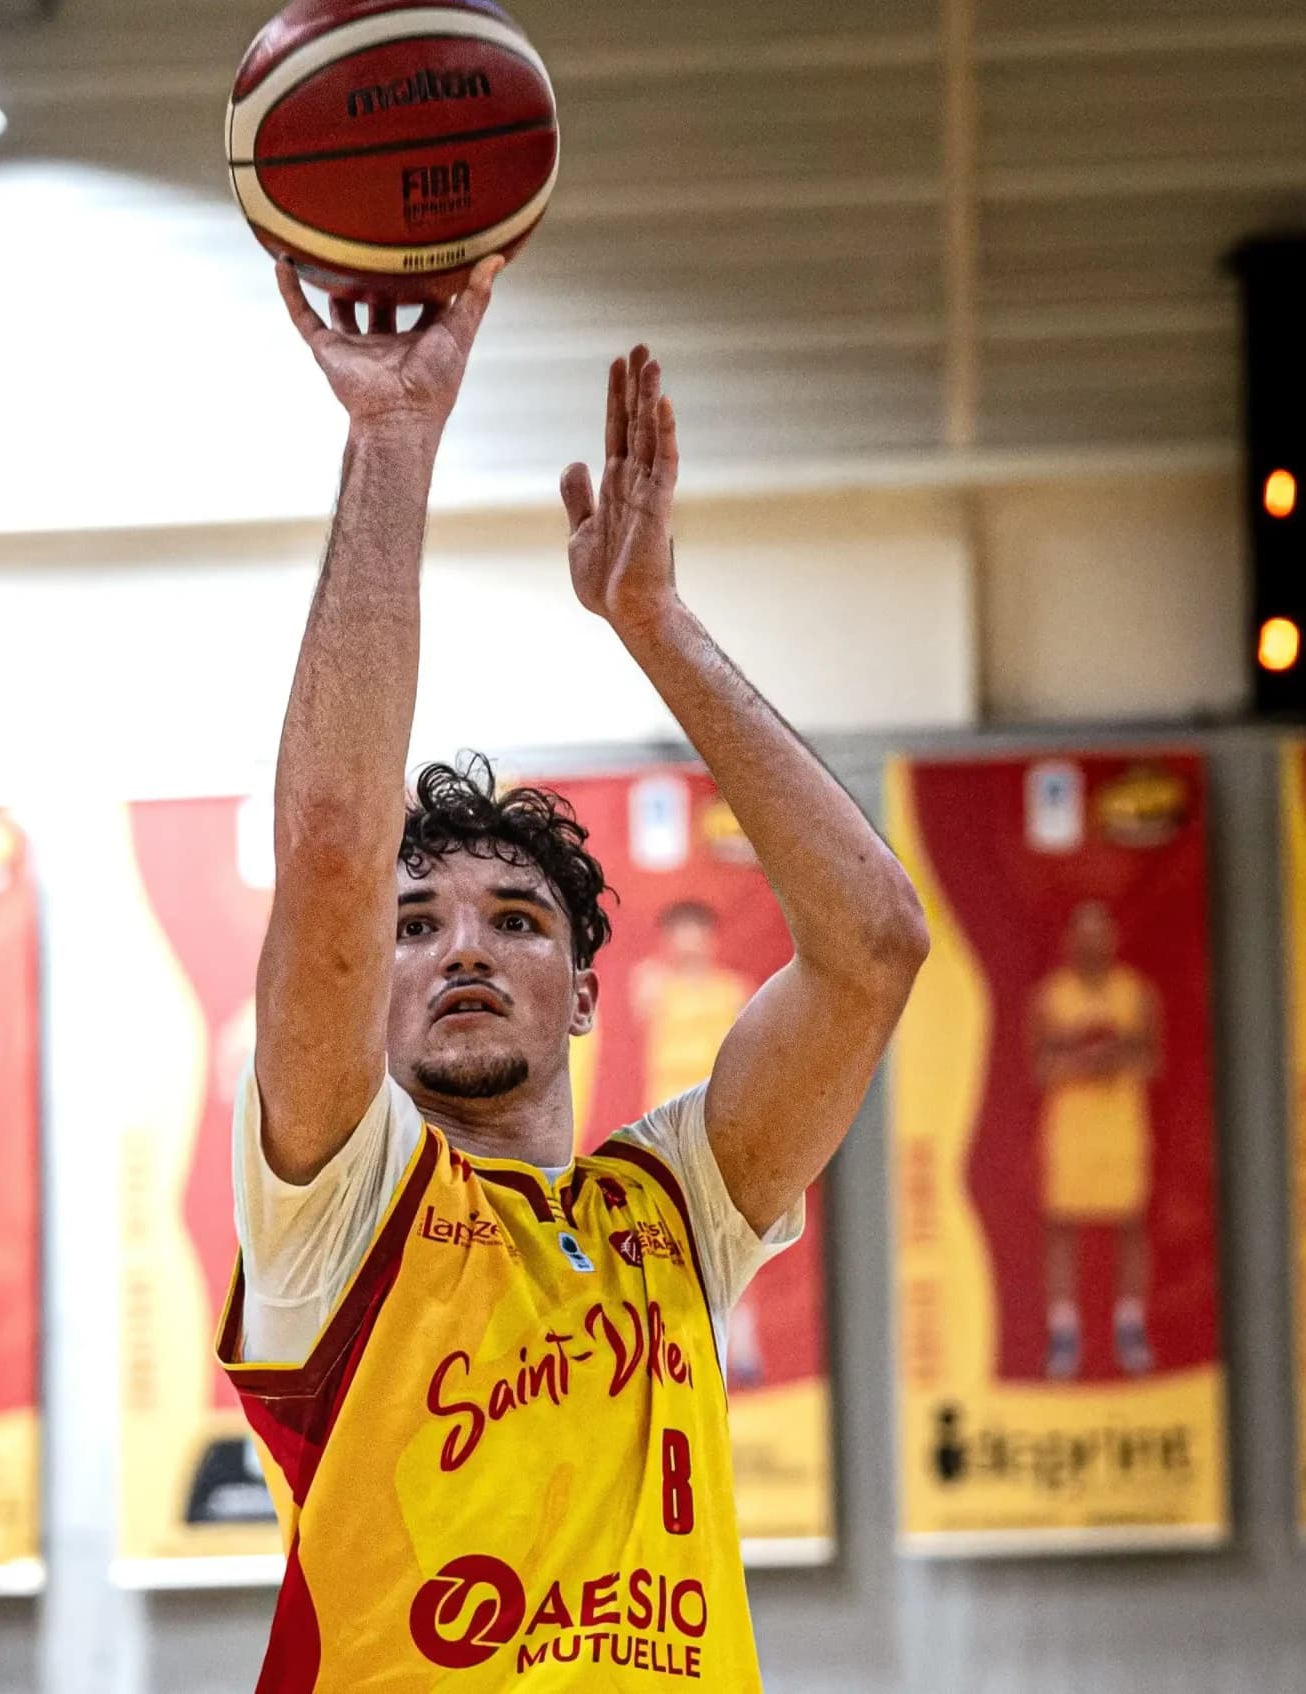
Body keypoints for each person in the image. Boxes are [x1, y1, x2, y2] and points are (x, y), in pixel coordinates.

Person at [220, 259, 927, 1690]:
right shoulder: (335, 1208)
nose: (464, 943)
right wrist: (392, 438)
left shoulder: (676, 1207)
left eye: (518, 921)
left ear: (588, 993)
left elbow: (875, 948)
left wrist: (653, 619)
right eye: (416, 924)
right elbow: (337, 841)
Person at [632, 901, 766, 1386]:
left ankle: (742, 1349)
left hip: (721, 1123)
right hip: (667, 1131)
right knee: (668, 1236)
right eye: (679, 931)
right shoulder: (653, 985)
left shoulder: (735, 991)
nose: (688, 940)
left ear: (711, 937)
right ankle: (675, 1341)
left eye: (696, 931)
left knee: (733, 1232)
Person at [1027, 899, 1162, 1378]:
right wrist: (1090, 1061)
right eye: (1083, 933)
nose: (1092, 942)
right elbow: (1041, 1067)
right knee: (1062, 1227)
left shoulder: (1136, 994)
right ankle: (1064, 1330)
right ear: (1070, 941)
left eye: (1100, 932)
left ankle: (1130, 1324)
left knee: (1130, 1224)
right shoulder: (1051, 998)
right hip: (1071, 1129)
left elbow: (1150, 1059)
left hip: (1122, 1127)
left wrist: (1111, 1055)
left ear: (1113, 938)